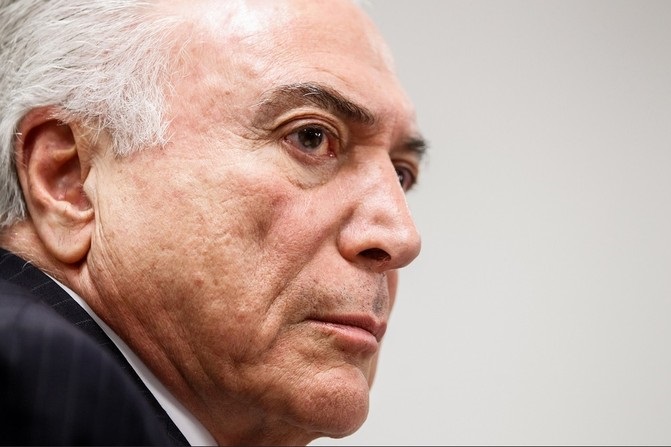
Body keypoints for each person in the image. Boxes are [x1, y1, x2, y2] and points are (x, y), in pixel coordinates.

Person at [0, 0, 425, 445]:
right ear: (68, 182)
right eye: (311, 137)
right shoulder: (32, 382)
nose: (402, 237)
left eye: (401, 175)